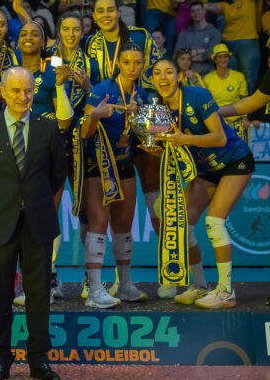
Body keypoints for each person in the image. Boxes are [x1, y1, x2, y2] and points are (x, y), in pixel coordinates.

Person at [0, 66, 66, 380]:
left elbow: (57, 175)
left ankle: (38, 360)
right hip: (0, 225)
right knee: (0, 297)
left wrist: (31, 201)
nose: (23, 97)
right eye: (16, 91)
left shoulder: (48, 129)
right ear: (3, 91)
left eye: (28, 91)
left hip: (38, 224)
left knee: (39, 295)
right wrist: (3, 204)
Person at [151, 58, 254, 309]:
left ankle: (226, 292)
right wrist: (153, 146)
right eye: (157, 73)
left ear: (179, 77)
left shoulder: (198, 95)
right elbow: (168, 149)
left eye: (168, 72)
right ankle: (199, 285)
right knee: (180, 224)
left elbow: (219, 138)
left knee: (214, 221)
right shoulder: (158, 110)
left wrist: (184, 139)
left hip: (234, 160)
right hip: (205, 169)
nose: (163, 77)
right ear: (153, 80)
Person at [78, 44, 150, 308]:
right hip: (97, 165)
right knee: (99, 222)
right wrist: (96, 114)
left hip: (124, 164)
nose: (132, 67)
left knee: (123, 225)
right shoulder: (101, 91)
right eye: (127, 62)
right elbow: (84, 132)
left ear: (143, 65)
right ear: (118, 63)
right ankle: (95, 290)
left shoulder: (142, 96)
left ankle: (126, 284)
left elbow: (144, 136)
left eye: (137, 62)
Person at [203, 0, 266, 90]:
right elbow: (205, 6)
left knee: (249, 79)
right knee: (230, 78)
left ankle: (246, 109)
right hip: (228, 45)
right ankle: (233, 106)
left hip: (248, 44)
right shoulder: (225, 6)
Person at [203, 44, 249, 139]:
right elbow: (206, 103)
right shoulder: (207, 79)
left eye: (226, 57)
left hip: (237, 122)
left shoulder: (239, 76)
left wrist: (245, 118)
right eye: (220, 57)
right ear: (215, 60)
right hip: (217, 123)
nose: (223, 60)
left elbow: (244, 100)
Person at [174, 0, 222, 73]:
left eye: (198, 10)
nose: (196, 13)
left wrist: (188, 56)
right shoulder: (184, 34)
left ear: (204, 11)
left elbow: (211, 53)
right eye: (193, 11)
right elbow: (177, 52)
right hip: (188, 74)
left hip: (208, 74)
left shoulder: (215, 32)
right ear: (190, 14)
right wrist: (198, 51)